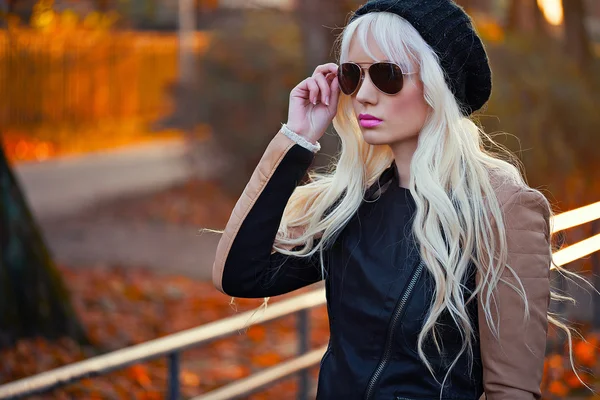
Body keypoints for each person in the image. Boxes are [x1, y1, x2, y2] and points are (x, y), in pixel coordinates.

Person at [211, 1, 581, 399]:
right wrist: (297, 138)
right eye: (352, 75)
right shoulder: (354, 202)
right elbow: (240, 275)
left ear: (438, 86)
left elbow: (511, 390)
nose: (364, 96)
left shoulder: (501, 208)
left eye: (387, 76)